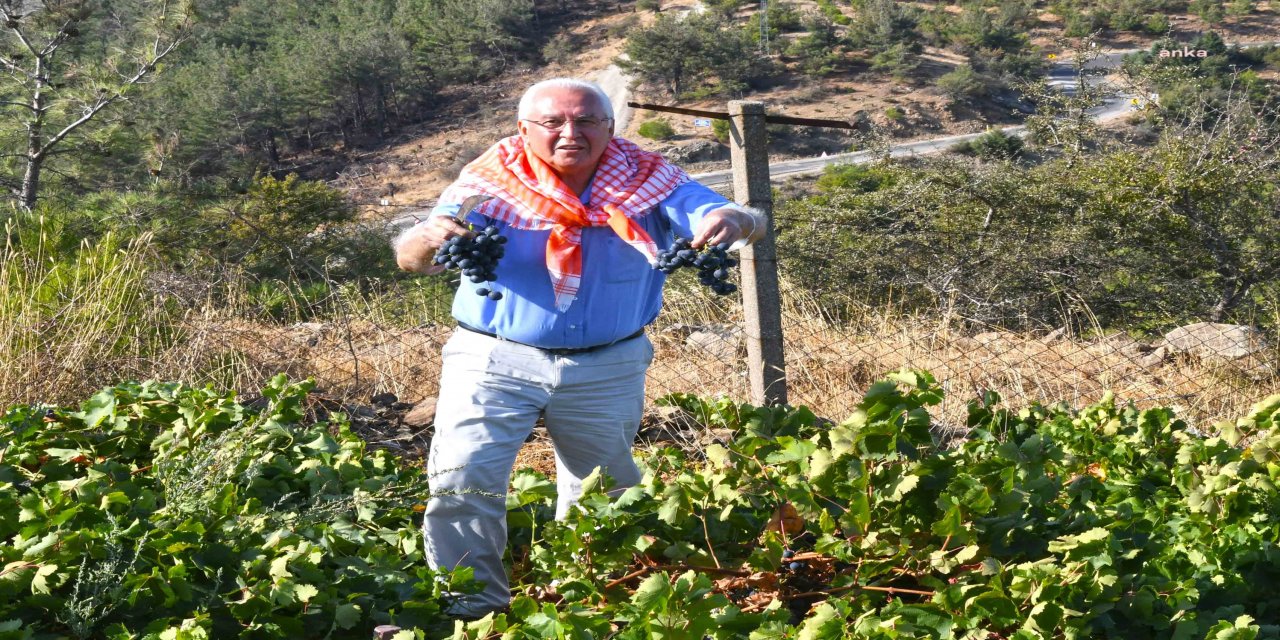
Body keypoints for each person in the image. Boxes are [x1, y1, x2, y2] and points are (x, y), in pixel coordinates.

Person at [392, 77, 764, 618]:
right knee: (463, 479)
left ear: (609, 129)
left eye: (587, 121)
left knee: (603, 490)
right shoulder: (487, 186)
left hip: (608, 363)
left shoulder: (650, 181)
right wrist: (426, 238)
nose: (571, 132)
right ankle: (472, 610)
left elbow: (729, 216)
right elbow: (412, 256)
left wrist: (729, 220)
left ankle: (588, 603)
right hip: (493, 358)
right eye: (553, 122)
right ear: (524, 130)